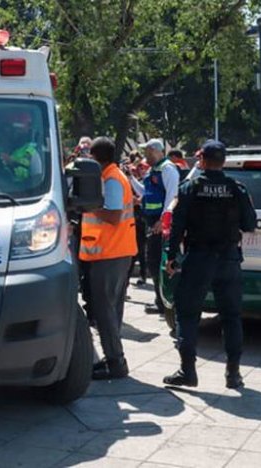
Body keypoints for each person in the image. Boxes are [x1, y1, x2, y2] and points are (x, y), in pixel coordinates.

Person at [163, 140, 257, 389]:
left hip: (198, 259)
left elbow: (177, 226)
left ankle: (188, 371)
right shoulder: (237, 188)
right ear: (223, 161)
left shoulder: (190, 187)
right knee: (231, 316)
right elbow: (249, 224)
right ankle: (233, 374)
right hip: (229, 259)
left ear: (201, 160)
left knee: (187, 313)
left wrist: (171, 257)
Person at [79, 137, 138, 380]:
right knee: (110, 311)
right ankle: (114, 358)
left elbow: (113, 216)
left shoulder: (112, 179)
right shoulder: (111, 176)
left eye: (89, 157)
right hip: (112, 252)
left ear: (96, 158)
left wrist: (86, 207)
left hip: (110, 253)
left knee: (105, 312)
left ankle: (115, 362)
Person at [129, 139, 180, 315]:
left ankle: (163, 302)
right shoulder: (153, 170)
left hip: (161, 226)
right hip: (152, 223)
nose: (145, 155)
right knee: (153, 262)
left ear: (155, 151)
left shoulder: (167, 169)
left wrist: (163, 221)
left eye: (147, 152)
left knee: (157, 262)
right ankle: (160, 301)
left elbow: (172, 196)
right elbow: (145, 192)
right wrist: (130, 179)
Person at [125, 151, 148, 286]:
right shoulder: (128, 182)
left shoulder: (143, 181)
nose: (137, 171)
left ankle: (143, 275)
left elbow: (145, 195)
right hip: (131, 217)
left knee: (140, 247)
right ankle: (127, 280)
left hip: (141, 217)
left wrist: (138, 201)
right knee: (132, 250)